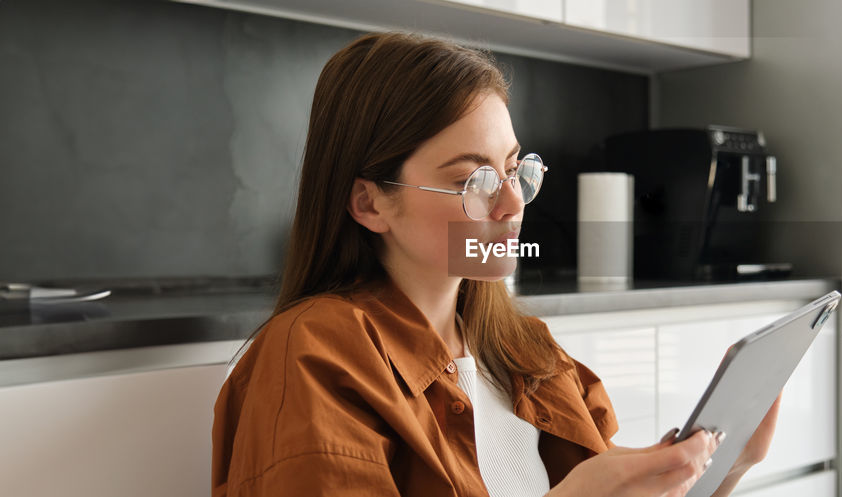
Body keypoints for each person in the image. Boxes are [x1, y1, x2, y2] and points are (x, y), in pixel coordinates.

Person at [211, 32, 781, 497]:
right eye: (470, 180)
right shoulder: (314, 355)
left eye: (514, 169)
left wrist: (724, 468)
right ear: (370, 202)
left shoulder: (528, 353)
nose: (511, 204)